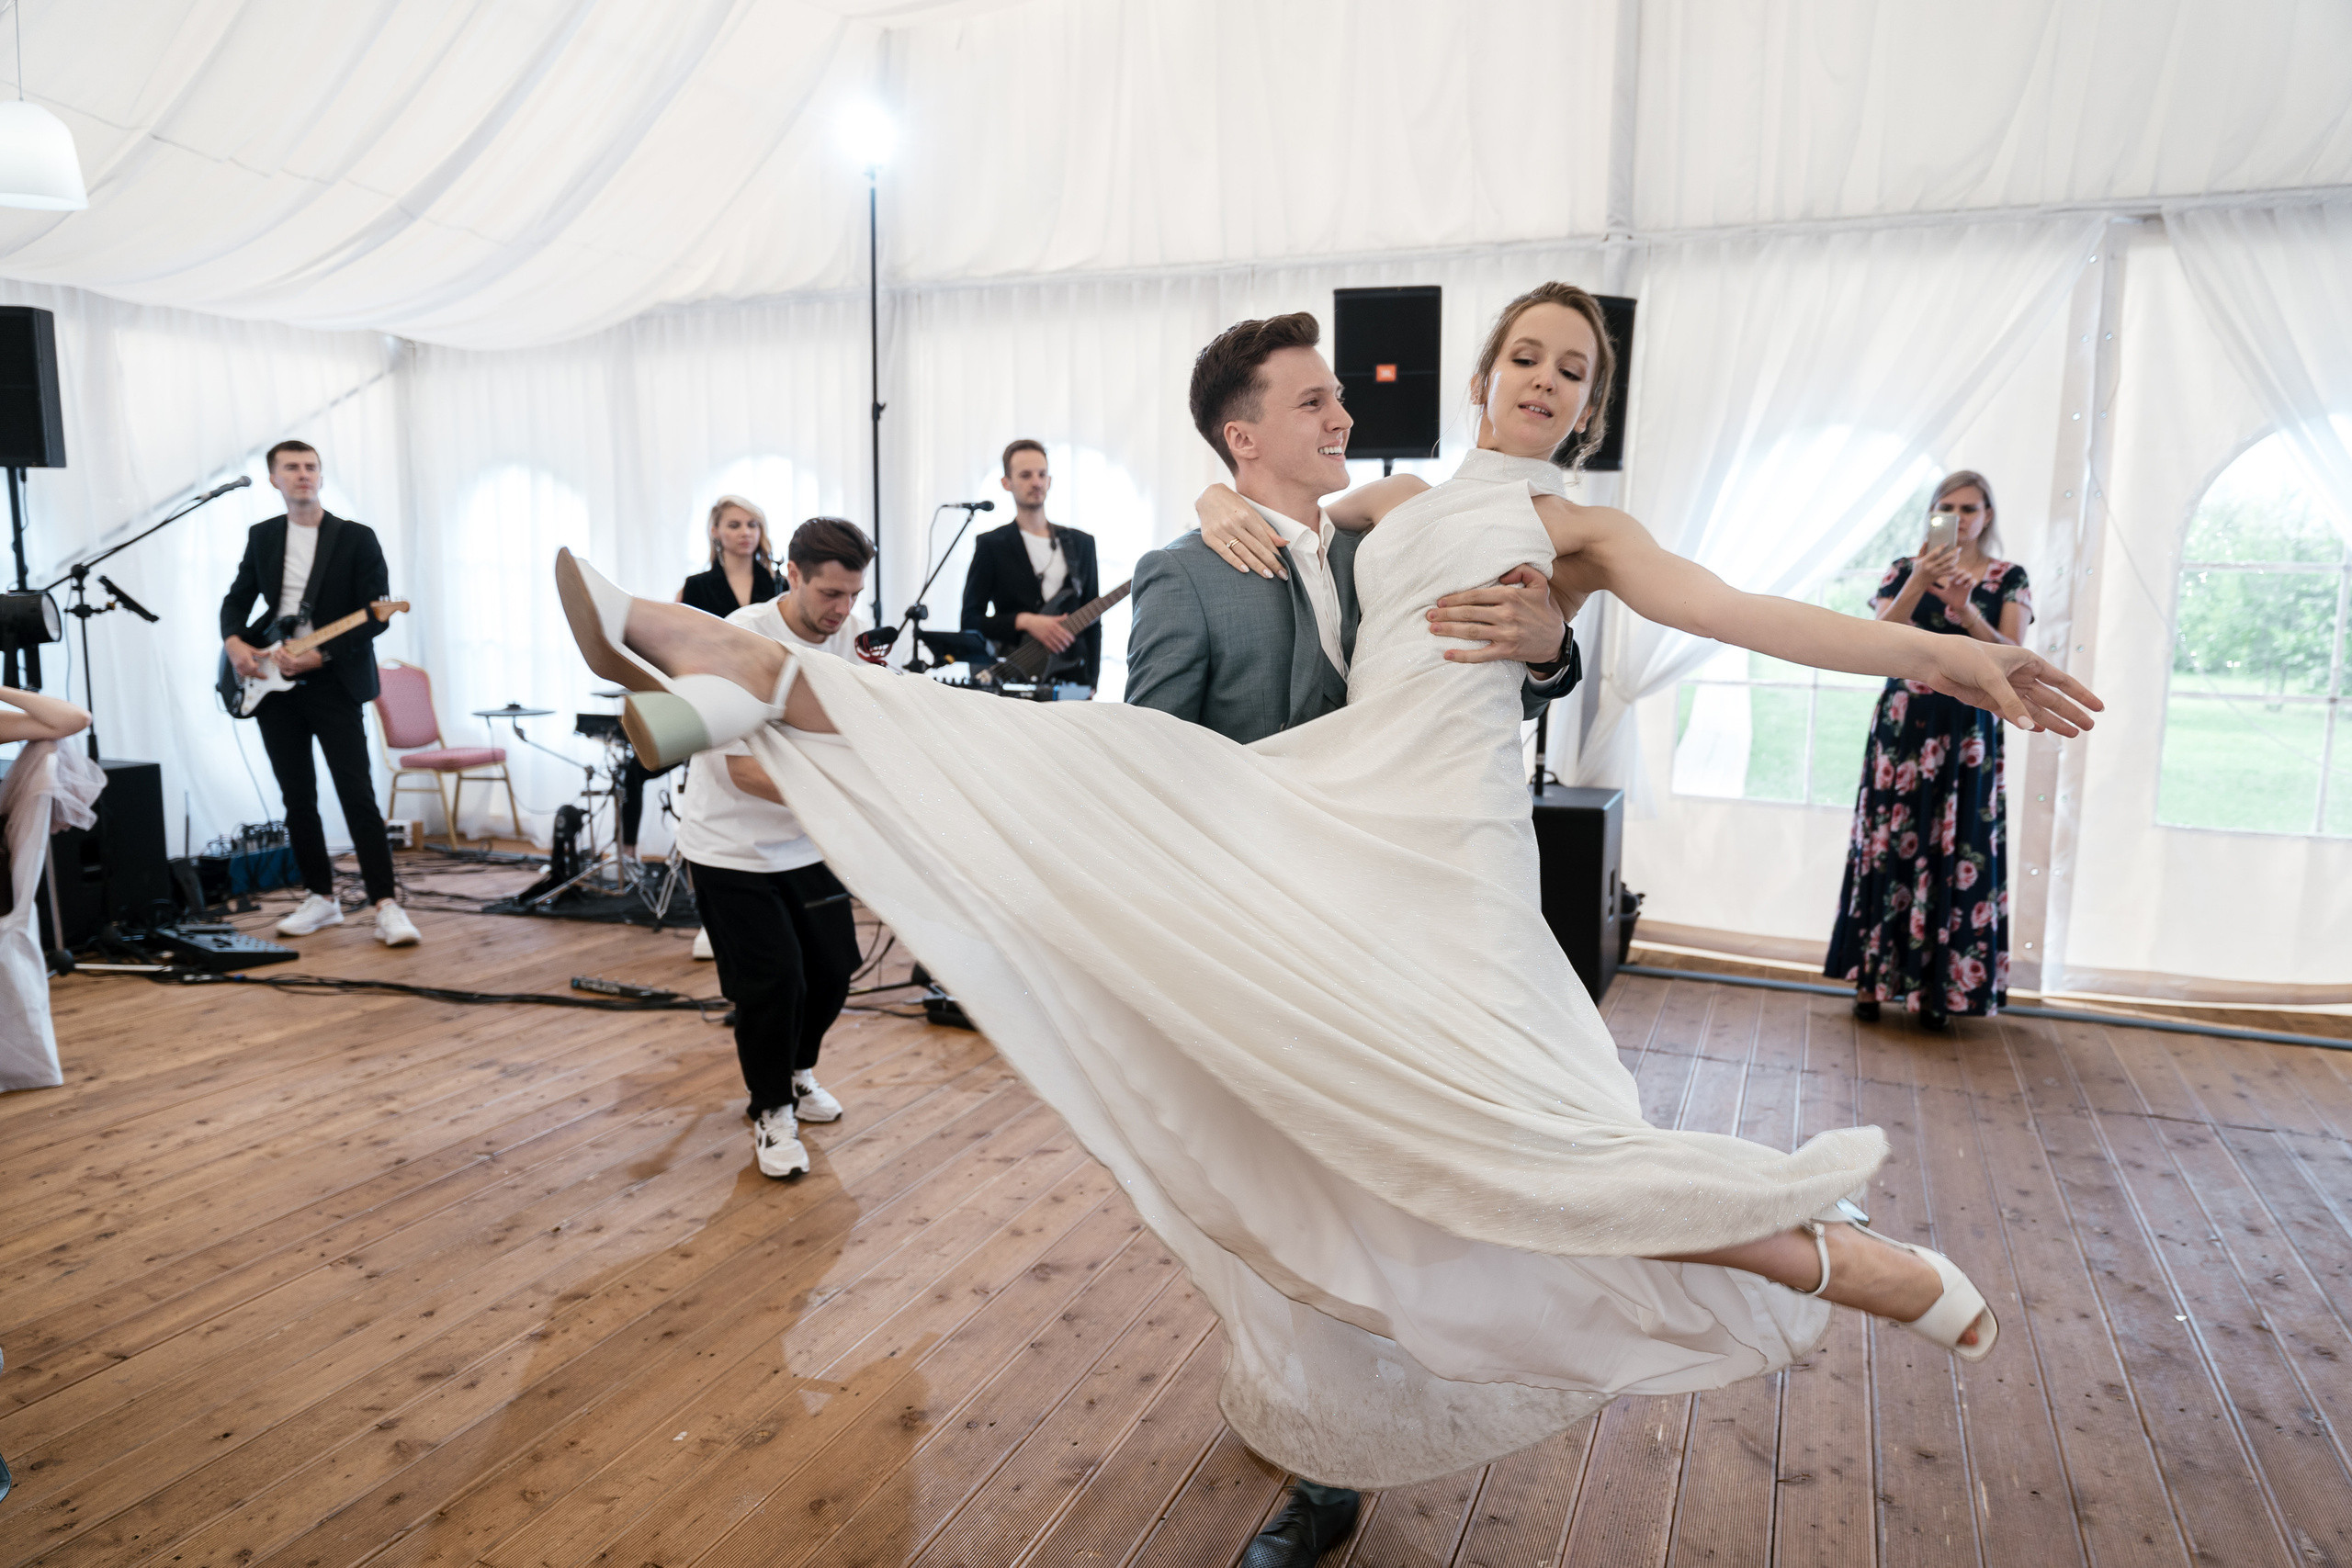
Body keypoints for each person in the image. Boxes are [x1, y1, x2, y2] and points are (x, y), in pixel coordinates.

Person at [551, 285, 2097, 1545]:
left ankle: (1826, 1254)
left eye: (1576, 369)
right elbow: (1278, 506)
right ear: (1485, 372)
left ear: (1587, 402)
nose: (1549, 380)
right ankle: (711, 658)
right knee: (1077, 770)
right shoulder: (1393, 497)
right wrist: (1219, 495)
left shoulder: (1586, 531)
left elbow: (1743, 610)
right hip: (1325, 803)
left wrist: (1953, 662)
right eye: (1529, 357)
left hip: (1450, 833)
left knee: (1518, 1125)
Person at [1126, 309, 1580, 1562]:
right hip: (1257, 938)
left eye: (1339, 400)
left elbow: (1474, 653)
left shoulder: (1371, 538)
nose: (1345, 416)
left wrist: (1556, 652)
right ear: (1245, 434)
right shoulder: (1188, 571)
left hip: (1378, 920)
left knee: (1354, 1191)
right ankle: (1321, 1457)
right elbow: (1148, 763)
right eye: (1316, 402)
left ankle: (1327, 1432)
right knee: (1285, 1202)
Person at [673, 518, 872, 1179]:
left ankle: (796, 1072)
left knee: (835, 969)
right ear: (791, 574)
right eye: (829, 595)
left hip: (801, 842)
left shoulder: (843, 636)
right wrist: (843, 794)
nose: (842, 611)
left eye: (853, 595)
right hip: (728, 845)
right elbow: (740, 770)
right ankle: (770, 1111)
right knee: (775, 982)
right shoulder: (738, 639)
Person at [1826, 470, 2031, 1029]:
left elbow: (2015, 657)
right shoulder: (1903, 570)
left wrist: (1967, 611)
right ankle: (1871, 981)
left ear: (1988, 515)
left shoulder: (2008, 577)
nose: (1960, 517)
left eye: (1970, 507)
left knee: (1956, 846)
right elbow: (1875, 642)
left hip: (1967, 731)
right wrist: (1918, 583)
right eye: (1947, 507)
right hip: (1905, 724)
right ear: (1933, 515)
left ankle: (1934, 992)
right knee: (1888, 841)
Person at [220, 441, 419, 947]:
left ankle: (386, 904)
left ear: (321, 478)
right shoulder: (263, 536)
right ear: (274, 480)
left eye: (310, 467)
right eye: (291, 467)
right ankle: (321, 898)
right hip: (273, 683)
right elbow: (236, 600)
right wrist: (236, 643)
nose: (303, 474)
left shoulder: (356, 538)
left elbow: (375, 616)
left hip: (335, 680)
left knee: (358, 793)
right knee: (297, 797)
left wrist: (322, 656)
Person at [621, 496, 782, 866]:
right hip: (708, 698)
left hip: (759, 703)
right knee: (637, 764)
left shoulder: (777, 585)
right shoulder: (695, 587)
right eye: (735, 525)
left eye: (752, 525)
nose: (745, 533)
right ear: (715, 532)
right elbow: (672, 651)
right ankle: (628, 855)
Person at [959, 441, 1103, 688]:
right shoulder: (991, 545)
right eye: (1025, 475)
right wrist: (1024, 621)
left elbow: (1093, 620)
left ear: (1049, 480)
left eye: (1042, 474)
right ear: (1007, 483)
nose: (1036, 482)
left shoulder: (1081, 543)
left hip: (1072, 678)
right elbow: (971, 621)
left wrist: (1092, 682)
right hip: (1016, 677)